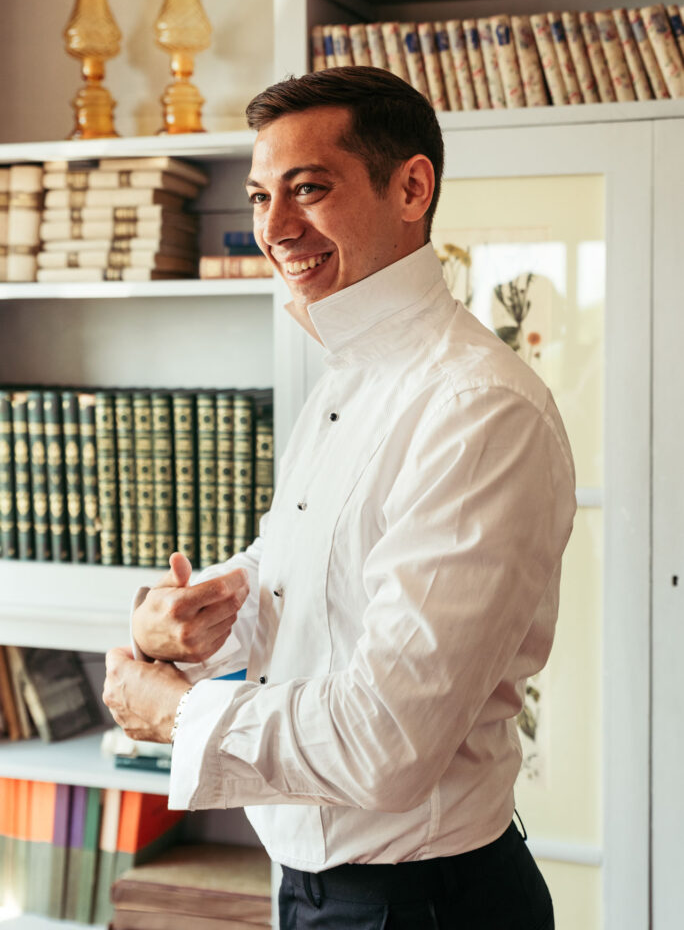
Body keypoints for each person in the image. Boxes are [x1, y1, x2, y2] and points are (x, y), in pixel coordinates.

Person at [103, 66, 577, 929]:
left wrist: (177, 713)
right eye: (258, 198)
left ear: (411, 187)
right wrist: (178, 624)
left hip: (423, 905)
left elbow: (386, 740)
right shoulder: (346, 379)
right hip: (312, 887)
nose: (273, 229)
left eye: (308, 190)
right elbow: (297, 585)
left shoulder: (476, 411)